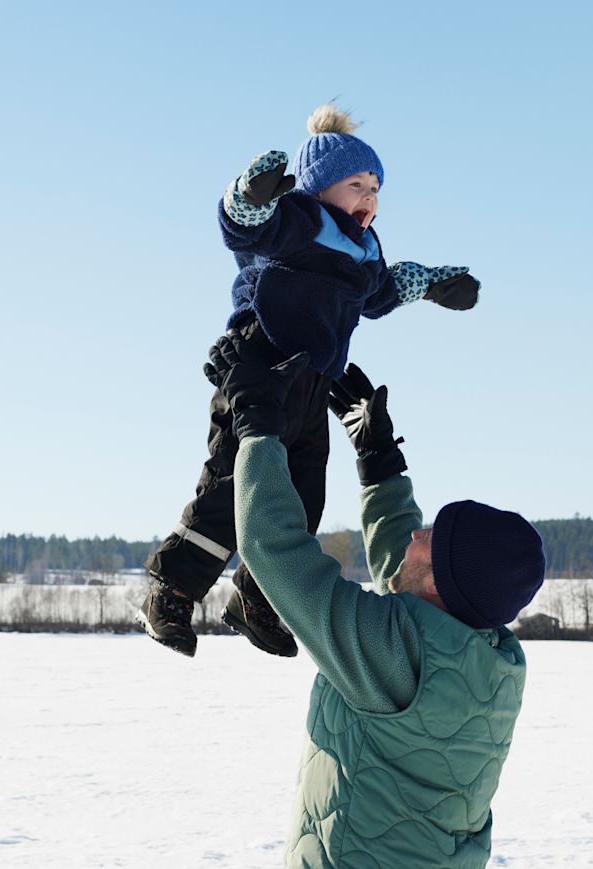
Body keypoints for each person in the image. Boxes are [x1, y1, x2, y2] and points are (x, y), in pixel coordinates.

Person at [204, 330, 545, 869]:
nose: (415, 536)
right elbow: (407, 576)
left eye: (428, 536)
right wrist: (379, 460)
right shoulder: (484, 656)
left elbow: (276, 552)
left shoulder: (397, 655)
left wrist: (257, 426)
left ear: (443, 580)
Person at [141, 102, 481, 658]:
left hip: (313, 384)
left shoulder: (364, 249)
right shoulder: (300, 218)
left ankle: (255, 599)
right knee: (234, 487)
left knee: (301, 499)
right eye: (356, 184)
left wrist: (434, 285)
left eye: (376, 186)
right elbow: (243, 229)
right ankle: (170, 588)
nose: (369, 197)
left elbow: (379, 295)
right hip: (259, 365)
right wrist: (252, 195)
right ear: (322, 186)